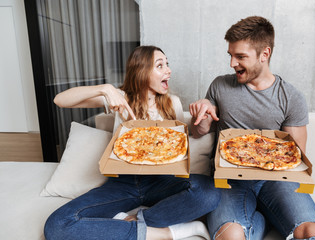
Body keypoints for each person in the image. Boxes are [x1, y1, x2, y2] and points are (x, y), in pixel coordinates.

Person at [45, 45, 221, 240]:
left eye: (167, 64)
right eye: (160, 66)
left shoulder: (173, 103)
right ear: (141, 71)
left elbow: (182, 143)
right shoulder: (121, 99)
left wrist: (203, 120)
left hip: (162, 181)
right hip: (123, 183)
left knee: (209, 192)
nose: (168, 70)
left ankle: (135, 219)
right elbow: (60, 100)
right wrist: (105, 89)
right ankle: (168, 233)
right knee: (57, 225)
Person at [189, 16, 315, 240]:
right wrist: (202, 112)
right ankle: (260, 220)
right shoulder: (220, 85)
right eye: (231, 56)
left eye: (240, 57)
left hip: (275, 180)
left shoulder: (290, 97)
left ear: (265, 54)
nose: (232, 63)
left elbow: (297, 157)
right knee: (231, 236)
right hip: (230, 179)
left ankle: (264, 215)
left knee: (312, 232)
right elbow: (199, 132)